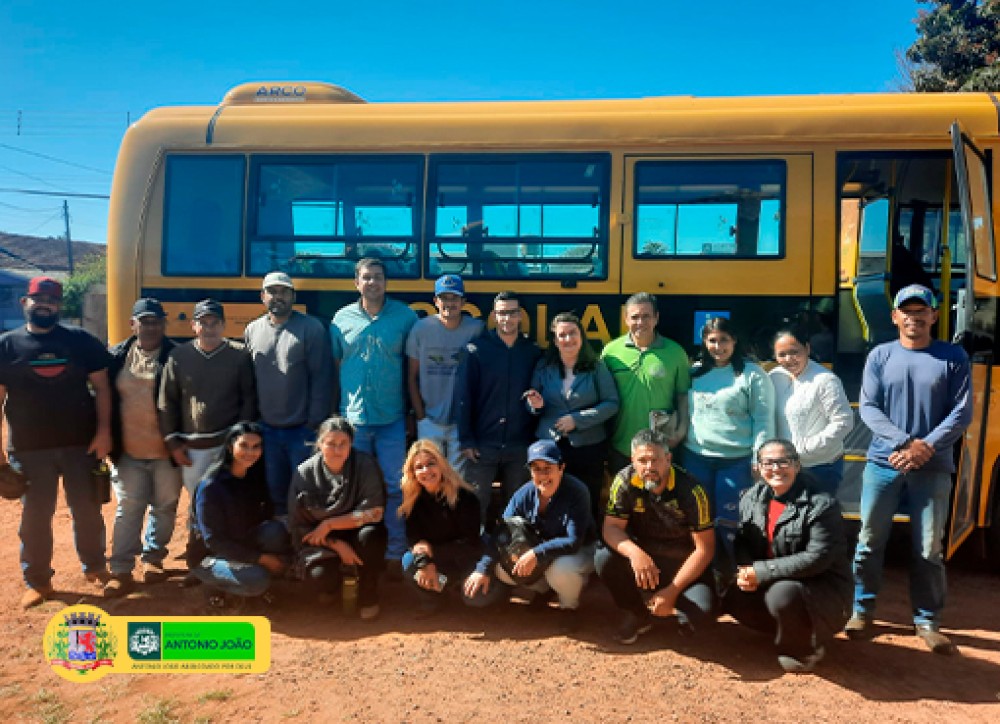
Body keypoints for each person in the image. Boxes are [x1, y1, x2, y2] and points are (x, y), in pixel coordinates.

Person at [847, 284, 972, 655]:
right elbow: (869, 408)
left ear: (934, 316)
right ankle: (861, 611)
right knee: (869, 541)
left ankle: (928, 621)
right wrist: (905, 443)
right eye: (907, 311)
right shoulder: (880, 355)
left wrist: (924, 447)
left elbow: (961, 412)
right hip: (882, 464)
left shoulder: (953, 356)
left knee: (929, 548)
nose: (914, 318)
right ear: (895, 316)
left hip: (933, 467)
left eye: (921, 311)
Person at [0, 276, 113, 609]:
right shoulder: (6, 345)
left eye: (51, 300)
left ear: (59, 306)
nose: (44, 305)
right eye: (38, 299)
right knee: (35, 517)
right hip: (28, 449)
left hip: (81, 445)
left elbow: (102, 388)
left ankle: (96, 568)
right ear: (25, 302)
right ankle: (38, 581)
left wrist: (104, 432)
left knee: (88, 510)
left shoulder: (81, 341)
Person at [725, 439, 852, 673]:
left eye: (783, 462)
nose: (776, 469)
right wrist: (746, 570)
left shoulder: (822, 504)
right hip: (777, 578)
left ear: (797, 465)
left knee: (782, 594)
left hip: (824, 591)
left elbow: (818, 557)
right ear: (758, 468)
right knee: (732, 591)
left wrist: (761, 572)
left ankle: (804, 647)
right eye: (768, 463)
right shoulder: (751, 497)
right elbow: (743, 541)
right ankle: (784, 630)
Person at [158, 298, 256, 582]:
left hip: (229, 447)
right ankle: (198, 563)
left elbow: (248, 399)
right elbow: (167, 402)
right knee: (198, 508)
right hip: (193, 449)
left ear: (223, 325)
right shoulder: (179, 357)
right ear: (193, 325)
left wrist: (240, 443)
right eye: (203, 322)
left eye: (215, 323)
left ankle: (231, 558)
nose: (209, 328)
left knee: (232, 504)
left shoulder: (239, 355)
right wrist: (173, 443)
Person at [331, 258, 416, 572]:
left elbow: (412, 368)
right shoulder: (340, 320)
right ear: (356, 282)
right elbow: (335, 367)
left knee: (395, 487)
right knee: (352, 488)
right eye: (366, 277)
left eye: (378, 277)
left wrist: (411, 412)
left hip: (392, 419)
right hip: (354, 422)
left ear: (386, 282)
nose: (372, 283)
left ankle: (395, 553)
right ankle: (353, 553)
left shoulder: (405, 318)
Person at [463, 439, 597, 632]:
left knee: (561, 569)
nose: (542, 475)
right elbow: (502, 531)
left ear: (561, 468)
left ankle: (569, 607)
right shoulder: (524, 494)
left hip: (580, 551)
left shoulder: (577, 491)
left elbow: (573, 541)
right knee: (503, 569)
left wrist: (535, 554)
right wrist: (482, 569)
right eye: (536, 469)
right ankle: (545, 589)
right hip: (543, 552)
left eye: (548, 468)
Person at [596, 429, 715, 644]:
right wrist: (635, 554)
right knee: (603, 558)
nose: (649, 467)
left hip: (683, 562)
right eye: (642, 460)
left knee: (702, 615)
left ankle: (671, 608)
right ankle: (637, 613)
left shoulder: (692, 490)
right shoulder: (623, 481)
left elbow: (704, 549)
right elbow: (611, 528)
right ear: (633, 461)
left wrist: (672, 592)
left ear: (668, 459)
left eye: (655, 459)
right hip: (645, 560)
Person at [682, 316, 774, 570]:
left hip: (737, 461)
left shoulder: (752, 374)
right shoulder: (694, 372)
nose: (718, 346)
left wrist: (760, 458)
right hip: (696, 457)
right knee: (698, 520)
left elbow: (763, 419)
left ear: (734, 341)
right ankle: (702, 573)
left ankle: (733, 574)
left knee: (731, 522)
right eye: (712, 340)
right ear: (704, 342)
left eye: (724, 340)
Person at [104, 298, 181, 597]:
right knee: (128, 508)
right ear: (132, 324)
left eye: (156, 321)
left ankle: (153, 560)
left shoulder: (177, 356)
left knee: (164, 507)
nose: (151, 327)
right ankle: (121, 570)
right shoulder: (115, 357)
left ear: (163, 324)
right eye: (144, 321)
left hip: (166, 452)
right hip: (128, 453)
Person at [244, 271, 334, 517]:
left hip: (302, 430)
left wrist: (314, 423)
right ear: (263, 297)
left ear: (293, 296)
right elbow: (249, 381)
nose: (278, 297)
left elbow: (322, 378)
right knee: (275, 494)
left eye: (284, 292)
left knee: (307, 494)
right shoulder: (252, 330)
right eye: (272, 292)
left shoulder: (311, 329)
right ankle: (282, 535)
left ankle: (306, 538)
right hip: (267, 431)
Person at [287, 416, 388, 620]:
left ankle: (368, 593)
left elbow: (376, 511)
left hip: (357, 532)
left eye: (343, 443)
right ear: (319, 444)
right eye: (331, 443)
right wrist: (336, 544)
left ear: (351, 444)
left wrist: (330, 523)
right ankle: (334, 587)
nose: (337, 449)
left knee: (371, 536)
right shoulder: (304, 473)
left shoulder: (365, 465)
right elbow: (298, 525)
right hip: (321, 539)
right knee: (319, 577)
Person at [455, 291, 542, 522]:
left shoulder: (532, 352)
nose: (507, 318)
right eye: (502, 313)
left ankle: (512, 543)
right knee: (475, 505)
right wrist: (466, 440)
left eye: (512, 313)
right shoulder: (476, 350)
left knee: (518, 509)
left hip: (520, 444)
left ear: (520, 315)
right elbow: (464, 398)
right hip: (483, 444)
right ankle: (475, 544)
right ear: (494, 315)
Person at [525, 311, 619, 522]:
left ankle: (586, 537)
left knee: (586, 498)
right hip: (550, 447)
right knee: (550, 498)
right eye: (562, 335)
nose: (568, 339)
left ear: (581, 336)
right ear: (555, 340)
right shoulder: (543, 366)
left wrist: (577, 420)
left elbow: (611, 404)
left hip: (588, 448)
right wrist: (535, 406)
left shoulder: (597, 367)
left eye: (573, 333)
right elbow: (531, 404)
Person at [192, 422, 290, 608]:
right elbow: (213, 541)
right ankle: (215, 586)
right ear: (230, 447)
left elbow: (264, 514)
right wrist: (261, 558)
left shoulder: (252, 475)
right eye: (243, 445)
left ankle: (244, 576)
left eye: (256, 446)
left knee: (276, 532)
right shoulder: (211, 486)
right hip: (209, 555)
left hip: (240, 542)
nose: (250, 452)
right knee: (257, 580)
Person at [601, 293, 691, 475]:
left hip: (661, 447)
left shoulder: (675, 352)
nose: (640, 322)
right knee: (623, 493)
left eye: (646, 316)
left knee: (660, 493)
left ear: (656, 318)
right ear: (626, 319)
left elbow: (683, 395)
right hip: (621, 446)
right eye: (635, 317)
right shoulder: (610, 352)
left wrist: (681, 431)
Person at [406, 274, 484, 473]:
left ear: (463, 302)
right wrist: (421, 417)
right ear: (436, 301)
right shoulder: (421, 329)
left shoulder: (476, 329)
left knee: (457, 478)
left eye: (454, 298)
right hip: (429, 420)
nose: (449, 303)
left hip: (461, 422)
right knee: (429, 475)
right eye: (444, 298)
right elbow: (412, 377)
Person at [398, 439, 482, 616]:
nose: (426, 470)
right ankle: (434, 599)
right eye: (419, 467)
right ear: (412, 473)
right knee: (409, 561)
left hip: (465, 559)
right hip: (436, 559)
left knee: (476, 600)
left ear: (442, 465)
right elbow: (414, 538)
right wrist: (425, 562)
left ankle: (456, 587)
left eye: (431, 464)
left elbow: (470, 543)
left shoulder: (465, 497)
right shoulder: (412, 501)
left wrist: (429, 556)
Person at [769, 327, 853, 496]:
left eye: (794, 352)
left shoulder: (825, 380)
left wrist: (805, 449)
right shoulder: (773, 377)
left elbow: (843, 422)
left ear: (807, 348)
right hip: (782, 468)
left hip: (820, 467)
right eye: (782, 354)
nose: (789, 359)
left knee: (817, 513)